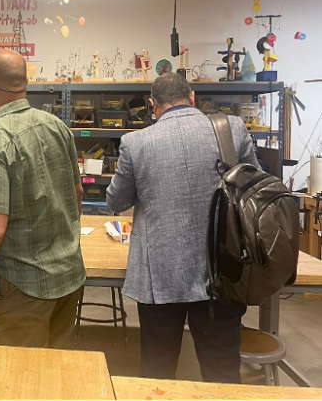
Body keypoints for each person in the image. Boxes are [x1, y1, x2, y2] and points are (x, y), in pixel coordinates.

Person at [106, 73, 259, 383]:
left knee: (157, 368)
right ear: (192, 98)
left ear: (152, 106)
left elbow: (116, 201)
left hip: (160, 275)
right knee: (222, 370)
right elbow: (254, 189)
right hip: (222, 270)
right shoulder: (232, 130)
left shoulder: (135, 143)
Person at [0, 49, 85, 348]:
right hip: (69, 276)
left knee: (18, 379)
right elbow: (77, 193)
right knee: (55, 369)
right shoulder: (58, 127)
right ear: (24, 83)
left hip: (25, 285)